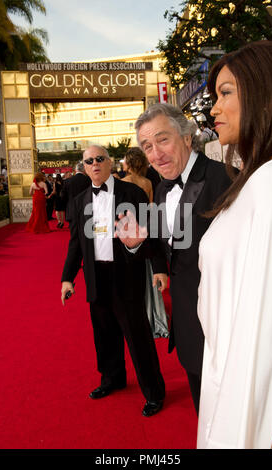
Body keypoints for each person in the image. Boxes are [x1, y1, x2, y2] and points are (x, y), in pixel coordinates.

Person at [196, 40, 272, 449]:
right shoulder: (261, 181)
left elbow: (267, 346)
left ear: (267, 94)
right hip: (227, 387)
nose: (213, 108)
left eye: (225, 93)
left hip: (244, 411)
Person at [135, 103, 234, 414]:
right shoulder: (163, 190)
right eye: (146, 146)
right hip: (190, 328)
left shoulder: (227, 180)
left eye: (162, 140)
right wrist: (139, 244)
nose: (155, 154)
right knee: (204, 418)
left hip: (226, 329)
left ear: (188, 138)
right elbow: (170, 244)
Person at [61, 144, 166, 417]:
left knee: (138, 335)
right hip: (96, 275)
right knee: (104, 334)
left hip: (126, 274)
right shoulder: (80, 200)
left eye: (99, 159)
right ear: (83, 168)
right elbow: (75, 243)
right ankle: (112, 379)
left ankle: (154, 392)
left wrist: (158, 267)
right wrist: (67, 278)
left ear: (110, 163)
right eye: (89, 161)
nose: (94, 164)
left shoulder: (132, 193)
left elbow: (151, 233)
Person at [122, 147, 169, 338]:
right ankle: (152, 314)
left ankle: (135, 316)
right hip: (146, 229)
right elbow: (151, 209)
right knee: (148, 273)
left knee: (131, 277)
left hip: (128, 233)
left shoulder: (122, 182)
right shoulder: (148, 182)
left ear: (129, 163)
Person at [60, 161, 91, 230]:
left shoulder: (67, 181)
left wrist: (68, 205)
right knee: (86, 233)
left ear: (76, 170)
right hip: (86, 209)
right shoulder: (89, 180)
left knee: (74, 234)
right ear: (84, 170)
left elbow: (62, 196)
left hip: (72, 210)